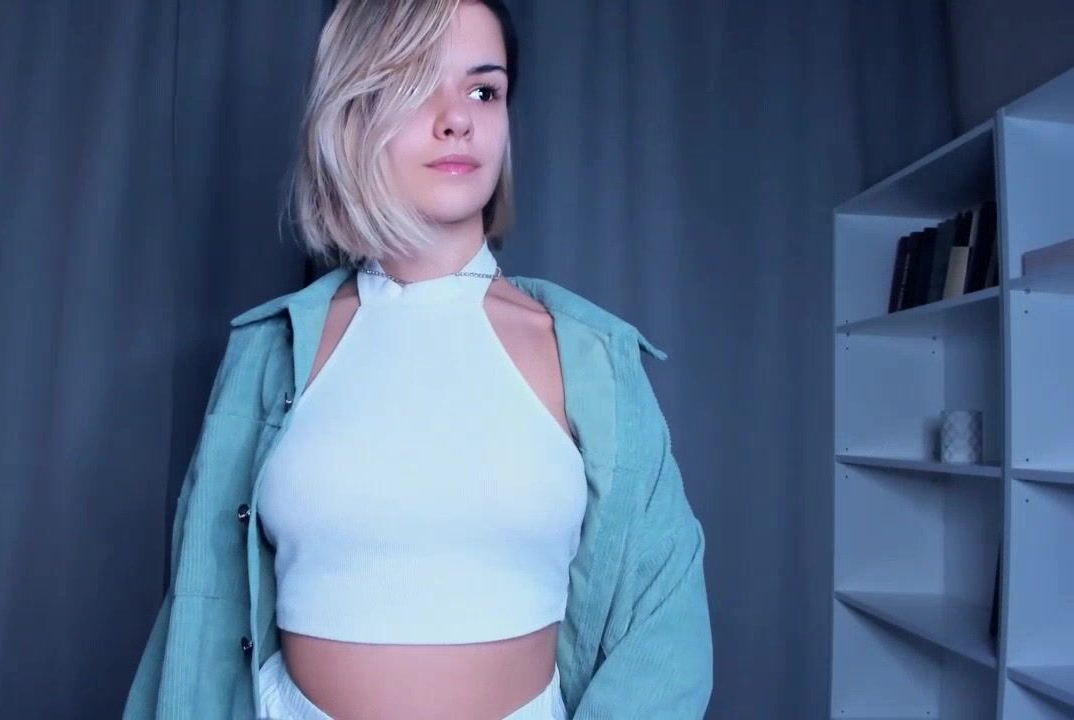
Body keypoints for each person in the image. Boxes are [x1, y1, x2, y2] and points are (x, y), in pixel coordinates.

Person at [122, 1, 712, 718]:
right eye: (415, 82)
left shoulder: (591, 357)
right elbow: (199, 621)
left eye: (484, 90)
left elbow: (665, 631)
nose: (458, 118)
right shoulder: (270, 352)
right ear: (352, 110)